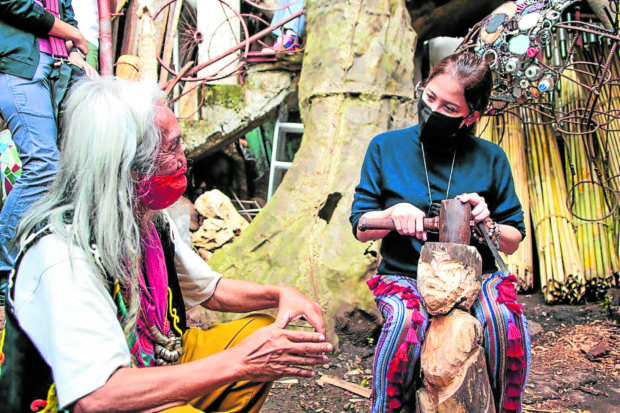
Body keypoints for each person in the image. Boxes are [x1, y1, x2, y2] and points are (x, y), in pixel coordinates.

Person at [0, 77, 332, 412]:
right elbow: (97, 397)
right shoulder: (60, 253)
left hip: (148, 362)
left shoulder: (147, 219)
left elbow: (211, 290)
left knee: (258, 330)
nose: (183, 160)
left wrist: (279, 295)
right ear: (125, 164)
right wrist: (242, 361)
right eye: (171, 147)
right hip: (97, 395)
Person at [350, 52, 530, 413]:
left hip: (477, 278)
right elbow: (360, 226)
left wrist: (488, 223)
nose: (433, 111)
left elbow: (513, 238)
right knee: (403, 321)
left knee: (502, 321)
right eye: (429, 98)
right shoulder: (386, 148)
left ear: (471, 116)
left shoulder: (491, 158)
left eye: (449, 108)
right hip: (404, 274)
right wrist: (391, 213)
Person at [0, 0, 97, 303]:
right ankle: (4, 274)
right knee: (44, 166)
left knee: (80, 164)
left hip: (62, 69)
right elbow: (13, 3)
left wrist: (77, 53)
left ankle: (58, 266)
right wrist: (73, 35)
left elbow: (67, 14)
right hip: (20, 64)